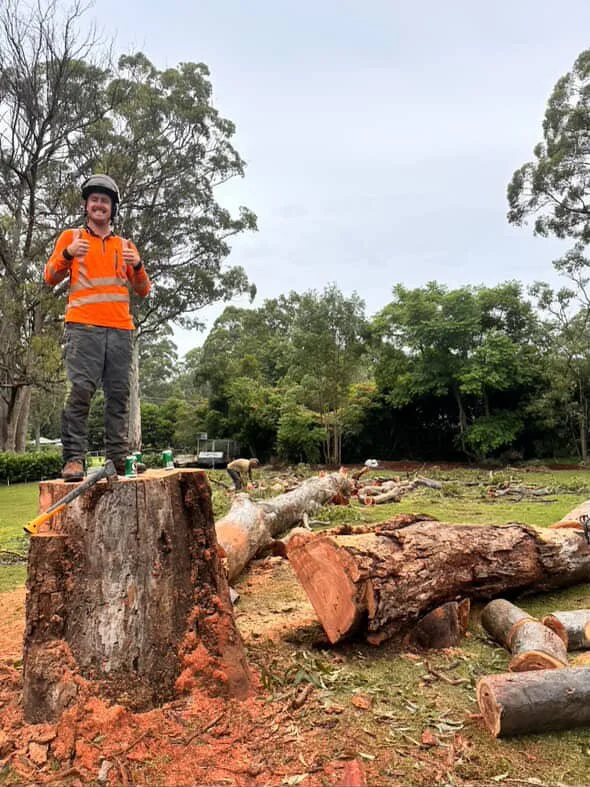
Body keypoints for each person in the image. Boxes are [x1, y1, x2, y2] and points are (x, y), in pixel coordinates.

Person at [44, 174, 151, 481]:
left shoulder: (125, 246)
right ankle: (73, 459)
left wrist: (139, 264)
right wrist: (67, 255)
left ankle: (118, 458)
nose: (99, 205)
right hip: (83, 328)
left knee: (118, 395)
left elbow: (143, 290)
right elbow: (49, 276)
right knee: (80, 392)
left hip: (120, 330)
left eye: (105, 200)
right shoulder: (71, 238)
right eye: (94, 200)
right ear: (87, 205)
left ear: (112, 208)